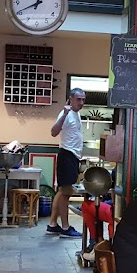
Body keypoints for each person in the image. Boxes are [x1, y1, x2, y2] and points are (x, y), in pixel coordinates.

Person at [47, 88, 86, 237]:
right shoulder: (67, 114)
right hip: (67, 156)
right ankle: (65, 227)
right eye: (78, 99)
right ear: (70, 99)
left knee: (62, 191)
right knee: (66, 194)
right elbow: (53, 132)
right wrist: (64, 113)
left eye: (83, 99)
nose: (81, 102)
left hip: (72, 156)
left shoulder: (76, 114)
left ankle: (52, 224)